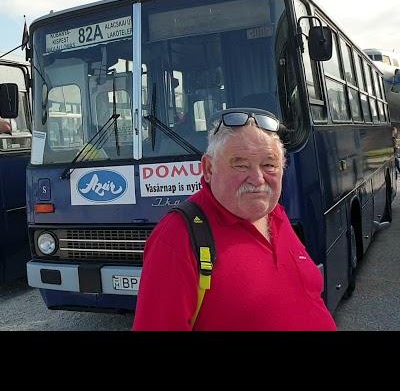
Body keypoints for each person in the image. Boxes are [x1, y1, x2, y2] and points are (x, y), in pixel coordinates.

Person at [133, 108, 337, 331]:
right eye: (240, 165)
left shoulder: (276, 214)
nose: (258, 179)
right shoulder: (178, 235)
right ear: (209, 169)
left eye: (269, 164)